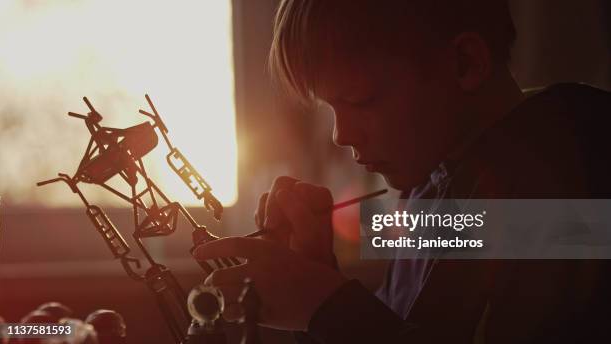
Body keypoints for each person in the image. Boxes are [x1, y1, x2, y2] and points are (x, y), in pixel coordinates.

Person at [194, 0, 611, 342]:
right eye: (331, 108)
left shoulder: (570, 174)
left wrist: (326, 306)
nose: (341, 134)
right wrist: (319, 276)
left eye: (361, 100)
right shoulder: (431, 186)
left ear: (465, 63)